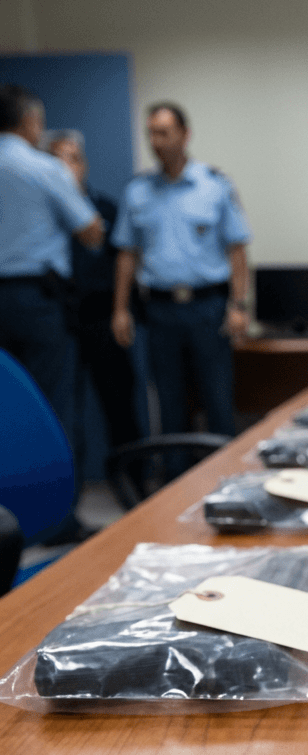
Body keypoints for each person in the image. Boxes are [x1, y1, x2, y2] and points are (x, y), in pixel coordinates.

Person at [111, 102, 251, 448]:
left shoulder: (214, 185)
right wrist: (120, 309)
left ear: (185, 135)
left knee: (217, 397)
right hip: (159, 310)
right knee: (169, 403)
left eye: (164, 133)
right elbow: (127, 254)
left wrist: (239, 305)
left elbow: (237, 250)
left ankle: (223, 480)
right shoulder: (137, 191)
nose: (156, 142)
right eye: (151, 134)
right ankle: (173, 480)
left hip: (208, 307)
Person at [0, 85, 103, 534]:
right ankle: (59, 520)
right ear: (30, 122)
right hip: (38, 301)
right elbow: (92, 233)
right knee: (53, 408)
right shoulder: (43, 168)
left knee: (7, 409)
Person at [45, 131, 142, 457]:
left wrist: (121, 311)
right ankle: (68, 493)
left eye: (71, 159)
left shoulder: (106, 210)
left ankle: (133, 482)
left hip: (103, 317)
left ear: (83, 165)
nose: (65, 168)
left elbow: (123, 265)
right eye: (56, 160)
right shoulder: (44, 217)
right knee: (62, 409)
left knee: (119, 403)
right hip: (59, 321)